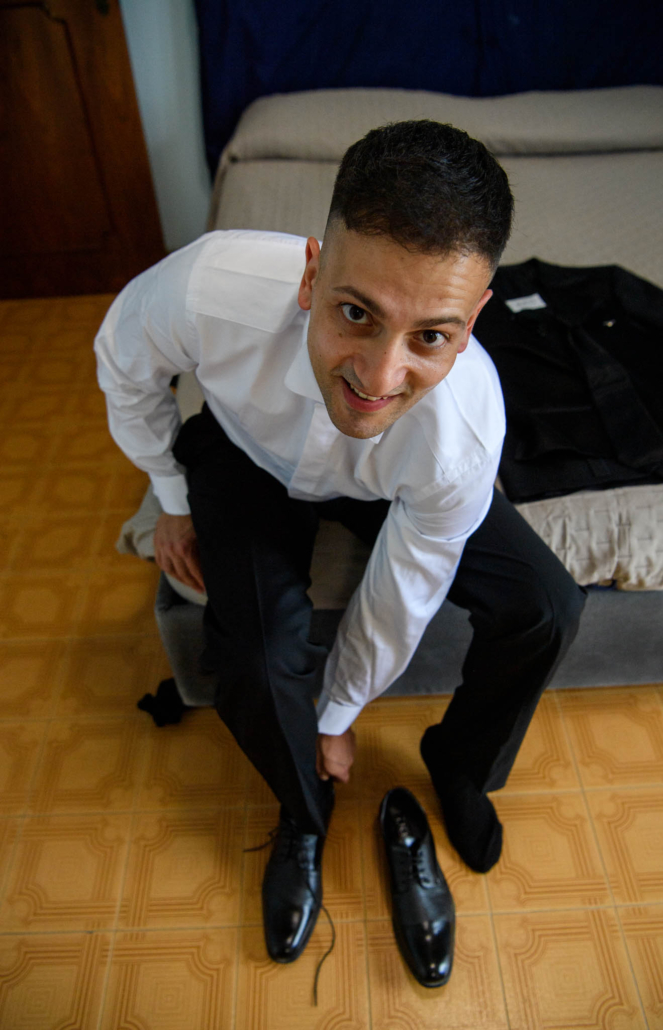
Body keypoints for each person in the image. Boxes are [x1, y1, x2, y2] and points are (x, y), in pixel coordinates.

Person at [95, 120, 586, 966]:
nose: (378, 377)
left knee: (547, 605)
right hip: (245, 455)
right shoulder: (207, 286)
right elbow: (122, 365)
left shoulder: (462, 432)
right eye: (356, 314)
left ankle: (458, 765)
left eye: (430, 336)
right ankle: (302, 815)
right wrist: (170, 496)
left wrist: (339, 711)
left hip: (386, 482)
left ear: (473, 319)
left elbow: (404, 588)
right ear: (311, 274)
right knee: (254, 658)